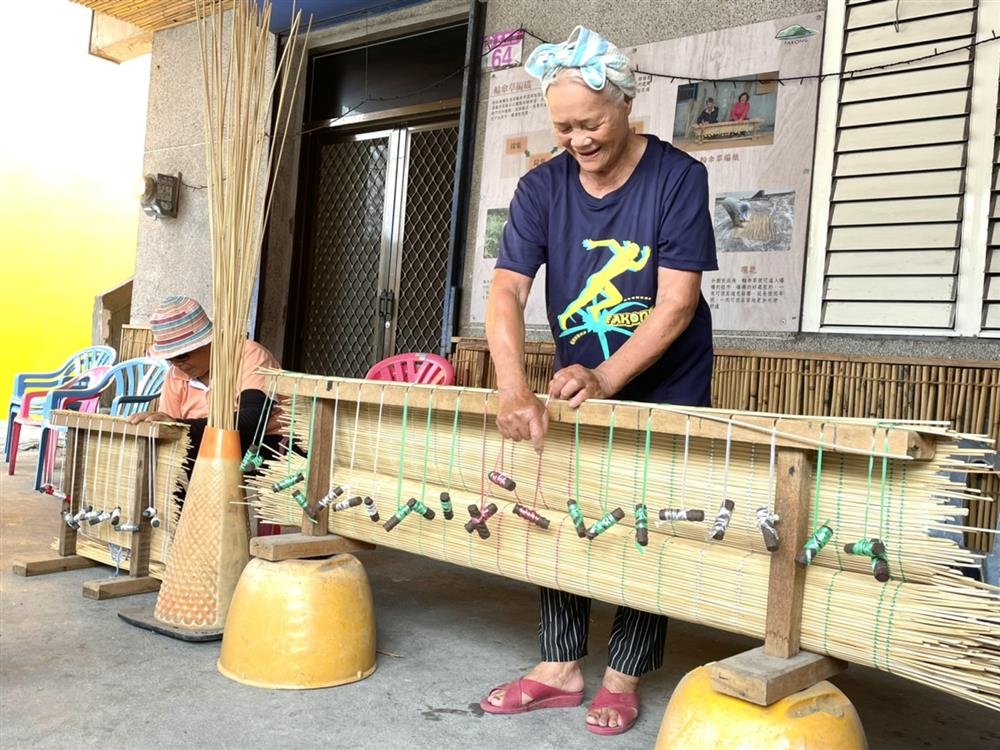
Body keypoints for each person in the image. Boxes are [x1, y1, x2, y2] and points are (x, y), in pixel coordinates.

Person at [481, 26, 717, 736]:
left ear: (625, 104)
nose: (578, 139)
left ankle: (624, 671)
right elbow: (505, 294)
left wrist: (611, 377)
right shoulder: (540, 187)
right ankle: (558, 666)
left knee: (645, 521)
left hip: (660, 381)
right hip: (576, 381)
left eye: (591, 122)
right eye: (563, 128)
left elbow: (676, 302)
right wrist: (512, 385)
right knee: (562, 507)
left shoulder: (676, 177)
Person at [127, 296, 285, 473]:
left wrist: (182, 427)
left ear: (209, 342)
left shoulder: (249, 355)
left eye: (181, 355)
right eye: (170, 358)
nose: (176, 363)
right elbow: (171, 433)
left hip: (264, 444)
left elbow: (251, 420)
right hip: (208, 448)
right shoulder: (175, 375)